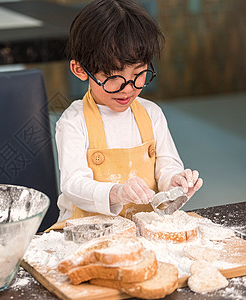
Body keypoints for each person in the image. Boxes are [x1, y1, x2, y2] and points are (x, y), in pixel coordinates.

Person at [48, 0, 203, 230]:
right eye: (113, 77)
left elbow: (166, 165)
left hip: (139, 230)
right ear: (80, 70)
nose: (128, 88)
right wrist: (116, 192)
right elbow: (74, 185)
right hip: (84, 233)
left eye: (138, 74)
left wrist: (174, 181)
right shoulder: (73, 121)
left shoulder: (152, 114)